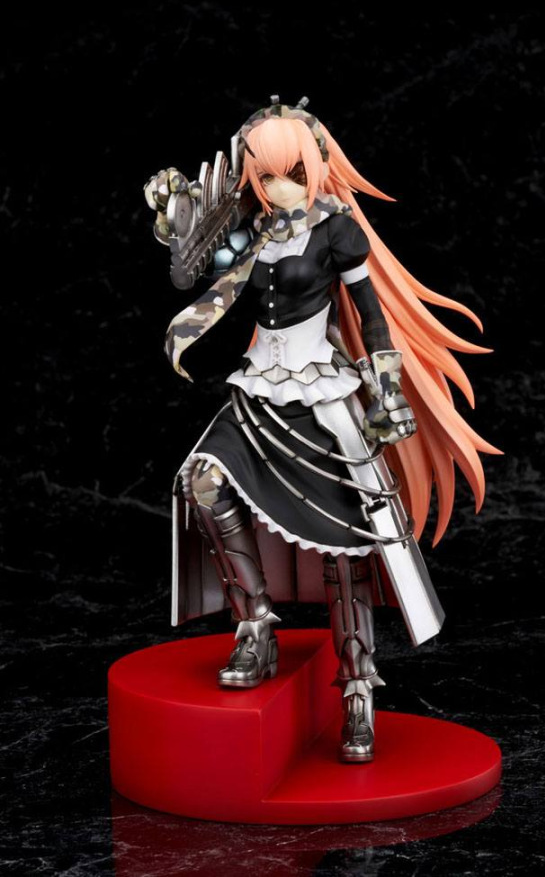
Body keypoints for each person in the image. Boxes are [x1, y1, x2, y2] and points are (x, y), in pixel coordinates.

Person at [144, 96, 502, 764]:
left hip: (321, 394)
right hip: (260, 389)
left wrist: (386, 391)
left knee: (345, 542)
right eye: (266, 175)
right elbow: (194, 275)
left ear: (313, 168)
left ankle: (358, 687)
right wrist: (181, 225)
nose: (279, 188)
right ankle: (255, 628)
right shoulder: (254, 232)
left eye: (292, 174)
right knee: (202, 482)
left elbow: (371, 315)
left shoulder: (337, 231)